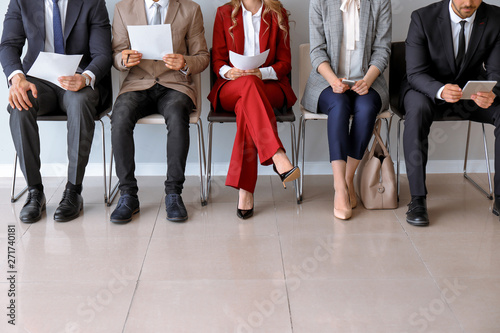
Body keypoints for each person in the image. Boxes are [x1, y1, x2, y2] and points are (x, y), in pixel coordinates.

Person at [0, 0, 112, 223]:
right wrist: (17, 78)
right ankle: (34, 191)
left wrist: (85, 77)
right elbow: (8, 45)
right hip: (38, 82)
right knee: (20, 104)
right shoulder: (21, 1)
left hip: (79, 80)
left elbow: (103, 54)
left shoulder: (93, 2)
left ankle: (73, 190)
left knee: (79, 102)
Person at [402, 0, 500, 227]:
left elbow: (496, 72)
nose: (468, 3)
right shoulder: (422, 18)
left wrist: (491, 92)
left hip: (469, 94)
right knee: (417, 111)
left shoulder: (495, 17)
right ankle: (417, 200)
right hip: (426, 89)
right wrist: (440, 90)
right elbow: (415, 73)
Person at [110, 0, 209, 223]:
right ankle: (128, 195)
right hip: (138, 83)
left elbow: (202, 56)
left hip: (175, 84)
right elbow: (116, 54)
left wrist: (184, 62)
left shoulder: (190, 9)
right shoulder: (123, 8)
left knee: (177, 114)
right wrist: (123, 59)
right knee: (120, 115)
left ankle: (173, 193)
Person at [207, 0, 299, 220]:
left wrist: (261, 73)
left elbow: (285, 63)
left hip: (270, 86)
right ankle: (277, 155)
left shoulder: (278, 13)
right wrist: (230, 72)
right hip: (232, 86)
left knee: (248, 104)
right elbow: (217, 59)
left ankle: (246, 190)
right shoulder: (224, 13)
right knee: (248, 88)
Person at [302, 0, 392, 220]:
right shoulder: (319, 2)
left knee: (367, 106)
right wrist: (333, 81)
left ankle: (347, 179)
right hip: (326, 82)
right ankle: (340, 188)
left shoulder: (380, 3)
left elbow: (382, 50)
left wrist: (368, 80)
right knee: (339, 105)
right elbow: (316, 51)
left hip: (368, 80)